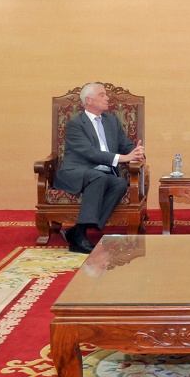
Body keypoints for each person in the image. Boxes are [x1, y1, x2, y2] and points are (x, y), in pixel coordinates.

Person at [54, 82, 145, 254]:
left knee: (119, 183)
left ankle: (77, 231)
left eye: (106, 95)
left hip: (101, 173)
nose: (107, 98)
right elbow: (90, 153)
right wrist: (123, 158)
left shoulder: (112, 121)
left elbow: (125, 145)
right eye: (102, 95)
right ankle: (79, 238)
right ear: (88, 100)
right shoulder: (75, 124)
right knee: (99, 177)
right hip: (76, 171)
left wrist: (136, 151)